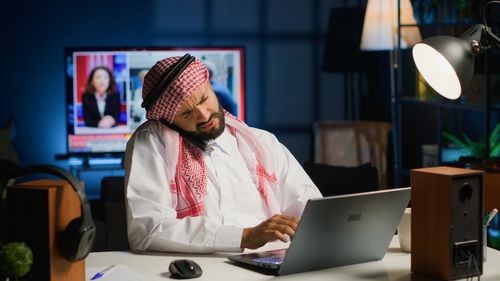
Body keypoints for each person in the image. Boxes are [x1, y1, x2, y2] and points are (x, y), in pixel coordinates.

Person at [124, 55, 322, 254]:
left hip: (273, 266)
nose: (203, 115)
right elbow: (147, 230)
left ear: (210, 86)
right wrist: (245, 237)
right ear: (168, 120)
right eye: (186, 113)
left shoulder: (262, 142)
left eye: (204, 99)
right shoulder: (152, 142)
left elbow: (311, 209)